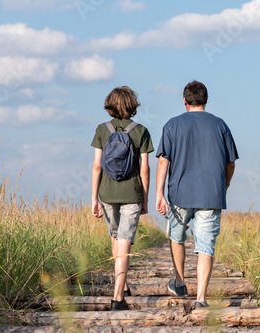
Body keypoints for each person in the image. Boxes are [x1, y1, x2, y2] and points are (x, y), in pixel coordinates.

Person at [155, 80, 238, 308]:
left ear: (185, 102)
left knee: (176, 237)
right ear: (206, 100)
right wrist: (225, 185)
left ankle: (180, 283)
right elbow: (230, 163)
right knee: (205, 245)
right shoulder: (220, 125)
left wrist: (159, 193)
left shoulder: (172, 125)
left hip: (179, 194)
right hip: (211, 194)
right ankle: (201, 298)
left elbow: (163, 161)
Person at [91, 86, 154, 311]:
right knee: (125, 239)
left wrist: (94, 198)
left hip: (107, 193)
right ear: (132, 105)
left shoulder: (102, 129)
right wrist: (145, 198)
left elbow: (97, 165)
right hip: (131, 193)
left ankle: (122, 284)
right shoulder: (141, 131)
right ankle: (118, 296)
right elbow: (145, 169)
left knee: (116, 237)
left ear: (110, 103)